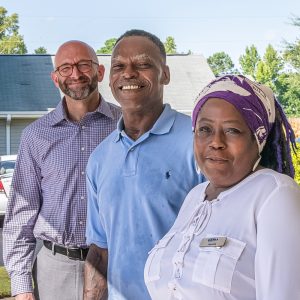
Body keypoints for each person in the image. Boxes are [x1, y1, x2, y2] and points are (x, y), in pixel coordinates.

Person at [144, 74, 300, 300]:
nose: (215, 142)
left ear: (258, 139)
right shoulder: (196, 196)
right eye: (204, 129)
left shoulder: (275, 195)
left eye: (232, 130)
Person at [83, 29, 204, 300]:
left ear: (166, 74)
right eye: (119, 66)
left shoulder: (199, 143)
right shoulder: (100, 159)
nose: (129, 73)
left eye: (143, 64)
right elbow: (100, 251)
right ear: (110, 78)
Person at [3, 40, 121, 300]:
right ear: (55, 78)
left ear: (100, 72)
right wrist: (22, 284)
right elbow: (22, 212)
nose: (75, 74)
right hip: (54, 268)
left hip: (116, 266)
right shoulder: (36, 135)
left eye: (83, 65)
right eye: (66, 68)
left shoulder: (125, 127)